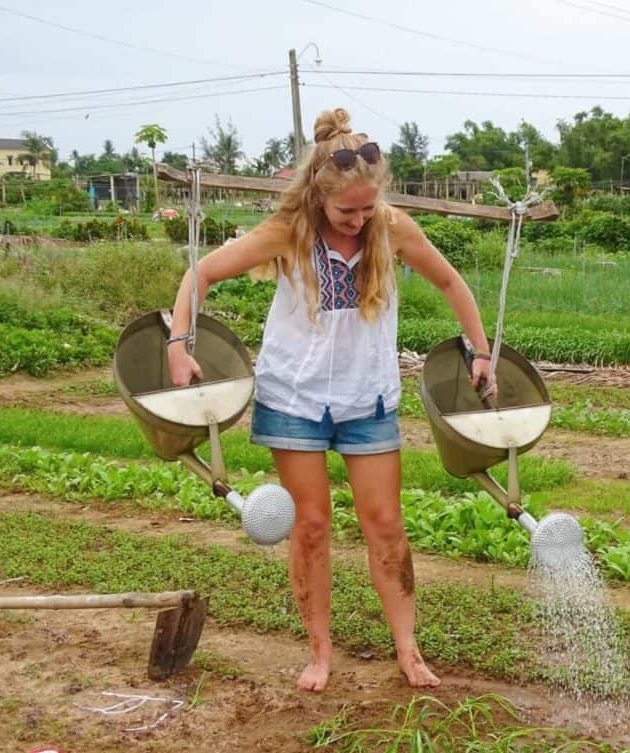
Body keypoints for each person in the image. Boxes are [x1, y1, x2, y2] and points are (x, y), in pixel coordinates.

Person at [166, 108, 492, 691]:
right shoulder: (286, 233)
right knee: (311, 526)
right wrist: (178, 342)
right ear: (318, 199)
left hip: (367, 399)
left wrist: (483, 350)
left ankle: (408, 648)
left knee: (386, 525)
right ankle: (319, 652)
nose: (359, 219)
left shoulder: (391, 228)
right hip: (294, 397)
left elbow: (450, 281)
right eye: (347, 211)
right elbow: (201, 274)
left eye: (368, 208)